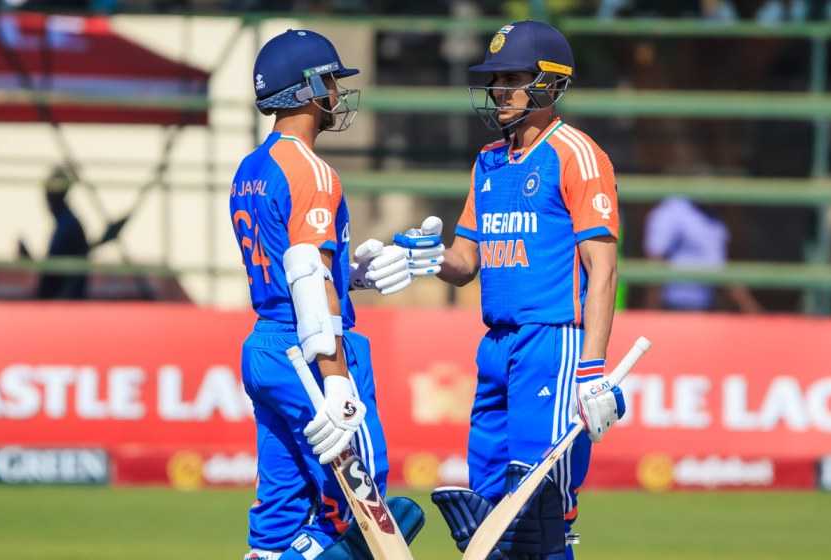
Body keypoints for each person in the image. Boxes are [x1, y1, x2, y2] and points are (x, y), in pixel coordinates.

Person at [394, 21, 628, 559]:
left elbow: (603, 267)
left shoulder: (576, 154)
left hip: (553, 343)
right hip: (496, 346)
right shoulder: (489, 161)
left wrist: (591, 369)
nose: (500, 91)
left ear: (548, 83)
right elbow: (465, 260)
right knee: (489, 511)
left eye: (513, 78)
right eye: (495, 79)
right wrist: (423, 257)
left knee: (537, 509)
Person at [231, 29, 427, 560]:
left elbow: (285, 262)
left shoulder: (250, 169)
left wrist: (353, 274)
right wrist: (336, 376)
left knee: (279, 512)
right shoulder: (312, 171)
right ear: (307, 89)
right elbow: (304, 272)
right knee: (366, 509)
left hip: (267, 345)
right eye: (331, 82)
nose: (337, 95)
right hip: (310, 348)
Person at [643, 197, 762, 313]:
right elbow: (655, 260)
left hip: (707, 307)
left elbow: (719, 267)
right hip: (676, 308)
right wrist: (651, 314)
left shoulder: (714, 215)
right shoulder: (671, 211)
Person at [37, 166, 89, 300]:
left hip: (60, 306)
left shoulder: (68, 226)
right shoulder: (65, 223)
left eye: (48, 194)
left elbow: (67, 277)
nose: (46, 200)